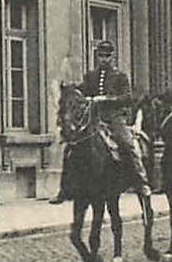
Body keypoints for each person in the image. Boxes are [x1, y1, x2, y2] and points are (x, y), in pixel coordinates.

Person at [51, 39, 150, 204]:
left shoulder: (120, 77)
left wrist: (106, 98)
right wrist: (71, 89)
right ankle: (64, 189)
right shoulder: (91, 76)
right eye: (100, 56)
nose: (103, 59)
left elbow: (127, 97)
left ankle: (141, 181)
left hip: (114, 118)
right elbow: (82, 90)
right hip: (94, 117)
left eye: (106, 56)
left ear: (112, 57)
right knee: (71, 147)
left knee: (127, 144)